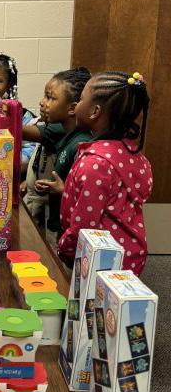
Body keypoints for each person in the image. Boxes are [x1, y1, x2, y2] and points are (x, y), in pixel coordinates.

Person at [55, 72, 152, 275]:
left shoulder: (95, 164)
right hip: (129, 258)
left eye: (81, 99)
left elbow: (84, 227)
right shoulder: (136, 156)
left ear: (95, 111)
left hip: (97, 262)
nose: (76, 105)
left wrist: (63, 249)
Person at [22, 67, 92, 244]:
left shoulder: (81, 144)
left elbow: (87, 193)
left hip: (72, 231)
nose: (42, 102)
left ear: (72, 108)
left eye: (51, 98)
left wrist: (64, 189)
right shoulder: (65, 136)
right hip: (58, 221)